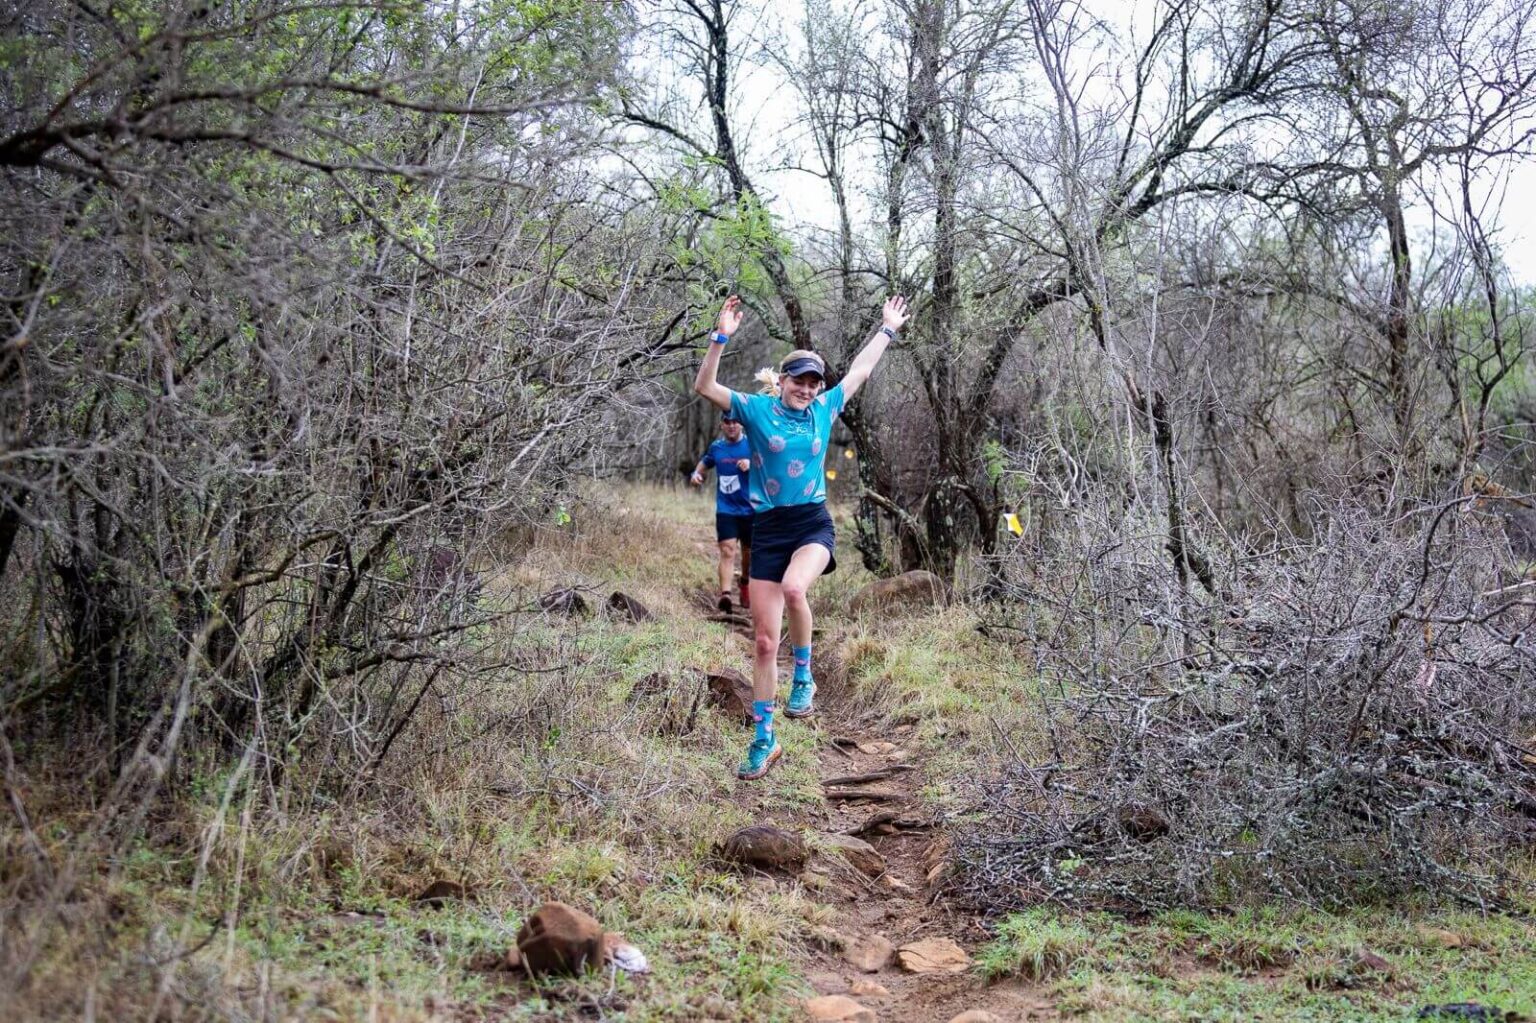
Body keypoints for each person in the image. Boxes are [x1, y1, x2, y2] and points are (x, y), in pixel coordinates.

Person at [693, 293, 910, 780]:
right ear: (783, 382)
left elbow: (860, 373)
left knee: (796, 588)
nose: (808, 389)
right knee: (766, 644)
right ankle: (763, 739)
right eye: (801, 381)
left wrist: (887, 329)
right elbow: (704, 385)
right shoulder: (754, 410)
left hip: (812, 522)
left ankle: (805, 676)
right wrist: (719, 337)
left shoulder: (825, 410)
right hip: (768, 528)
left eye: (815, 383)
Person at [689, 412, 754, 612]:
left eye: (735, 422)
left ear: (741, 424)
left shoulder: (753, 445)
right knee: (727, 550)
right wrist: (696, 474)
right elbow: (705, 463)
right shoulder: (717, 448)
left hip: (752, 509)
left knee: (748, 553)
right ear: (721, 425)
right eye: (727, 422)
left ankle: (745, 582)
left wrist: (752, 465)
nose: (732, 425)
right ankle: (725, 595)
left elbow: (769, 466)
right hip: (726, 509)